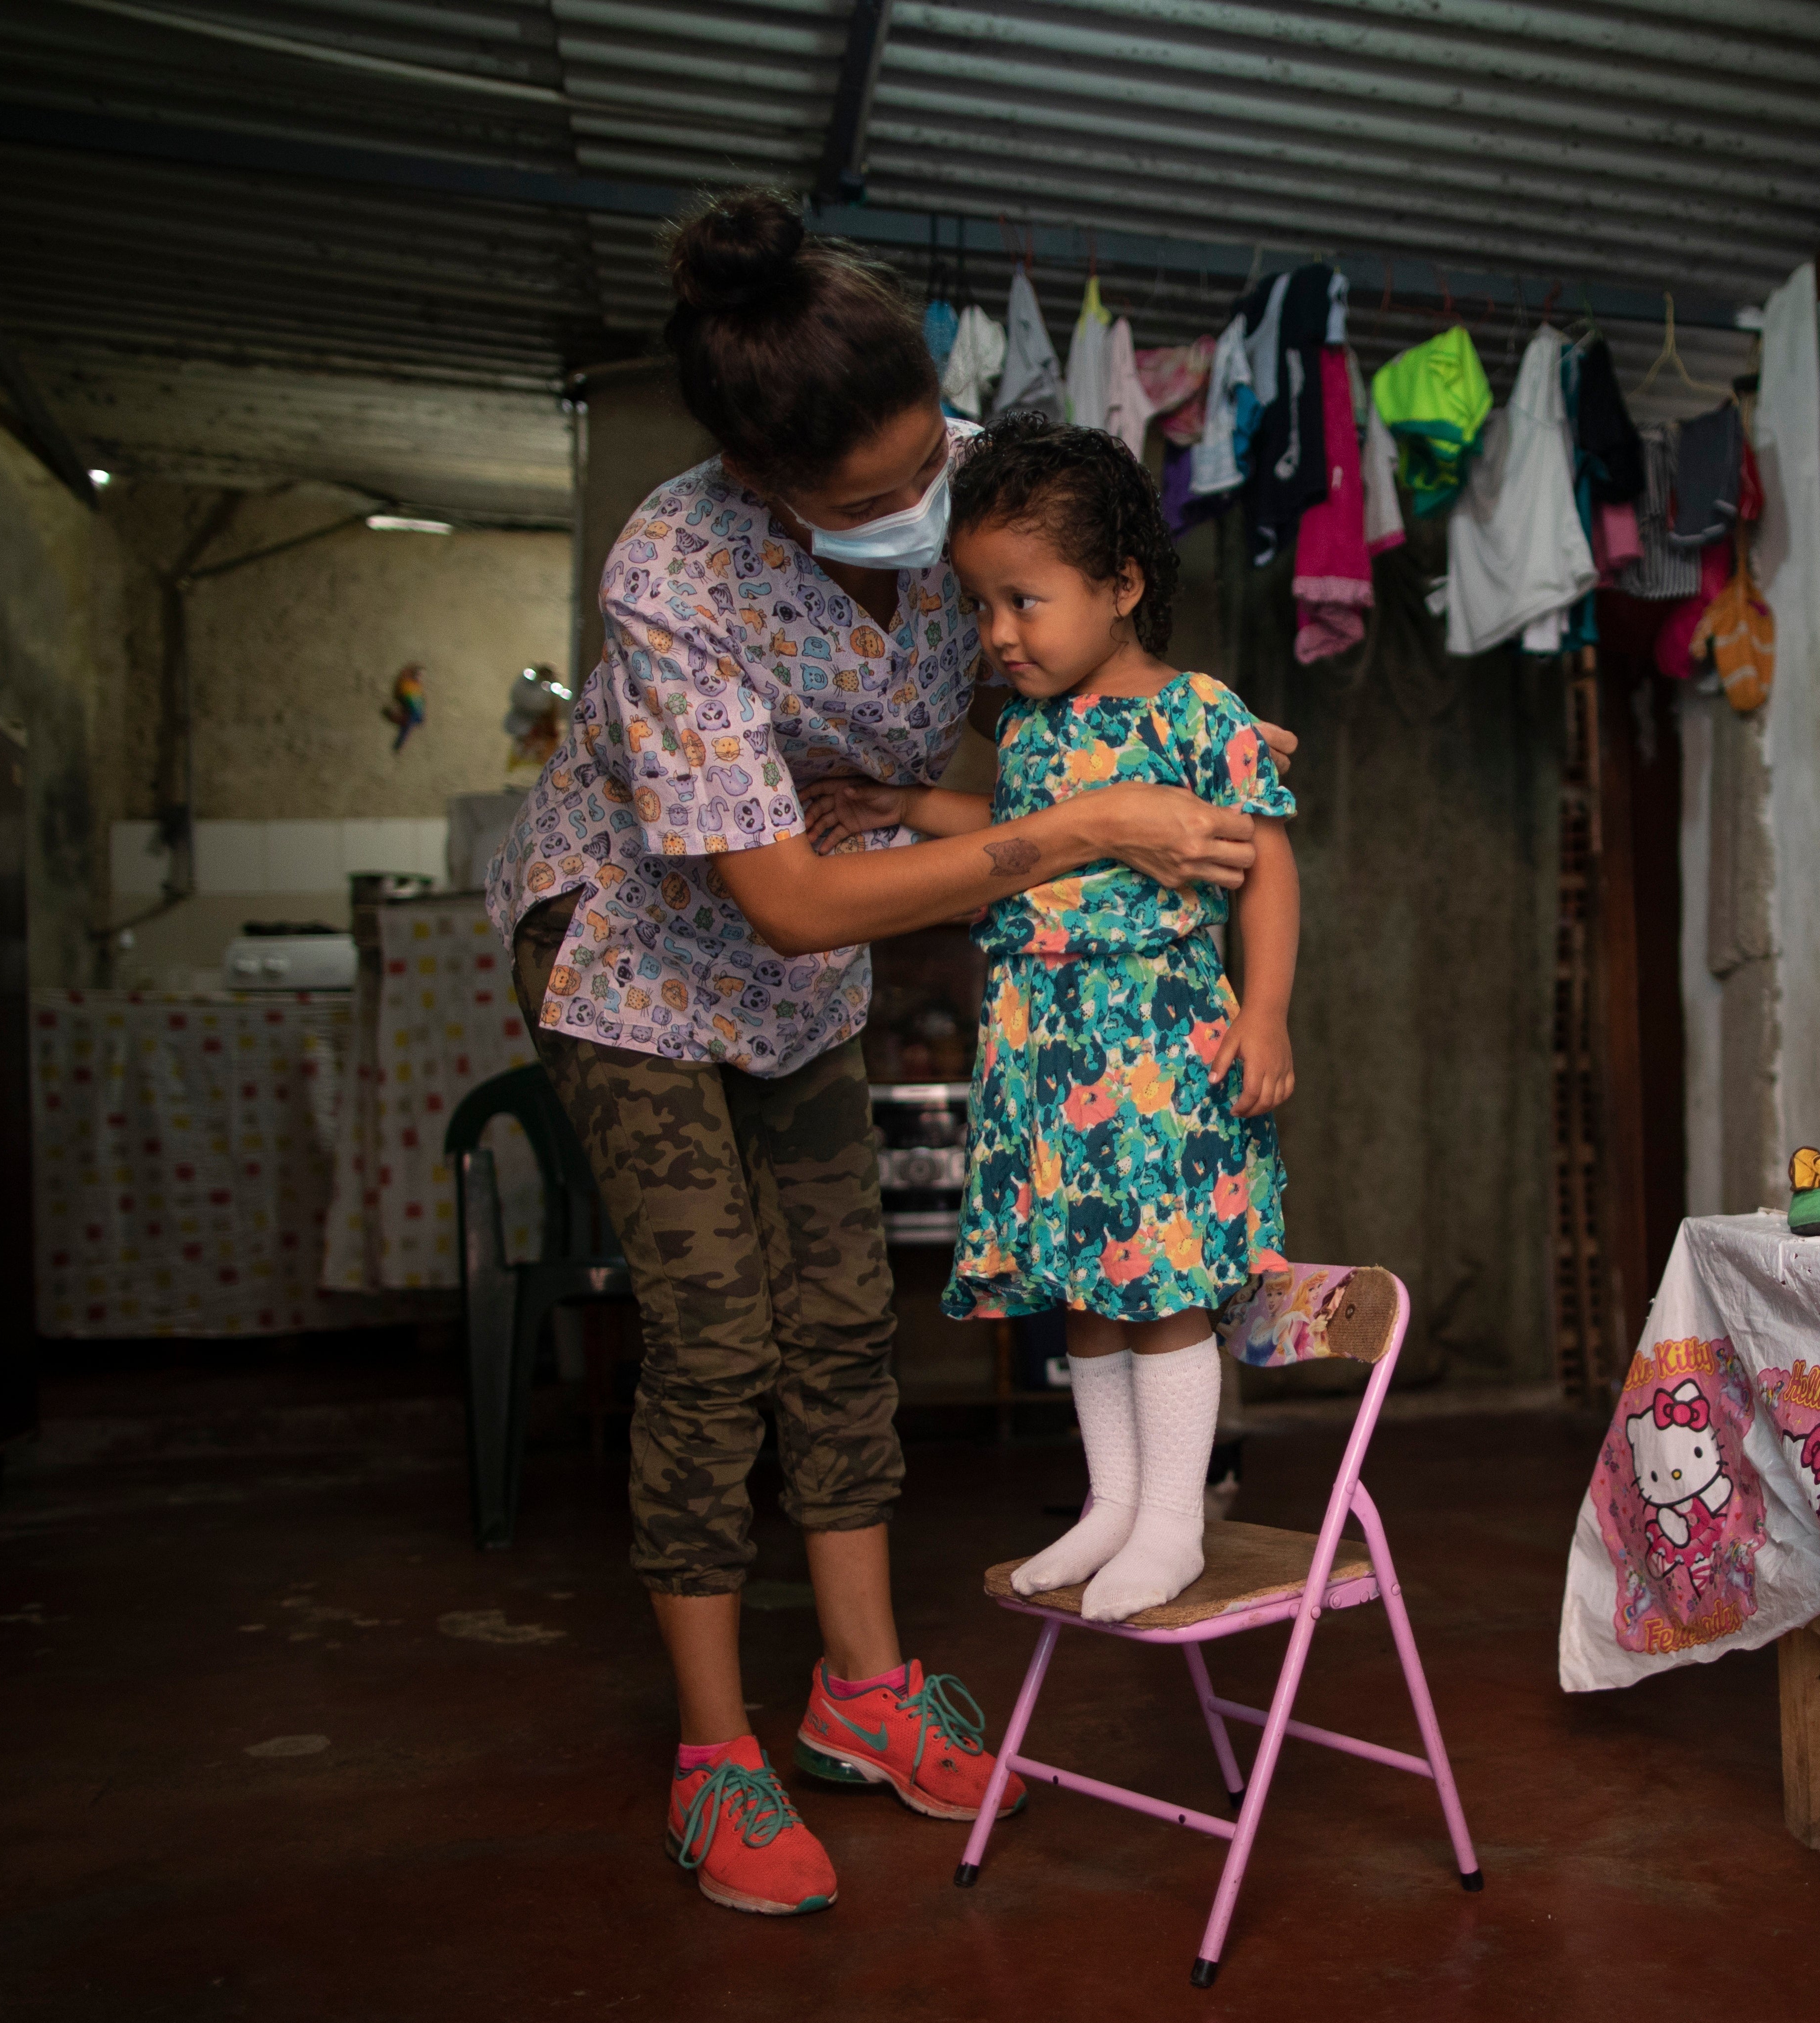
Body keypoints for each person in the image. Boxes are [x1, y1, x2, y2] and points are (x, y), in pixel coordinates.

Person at [486, 190, 1286, 1919]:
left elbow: (1091, 681)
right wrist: (1069, 838)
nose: (927, 516)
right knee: (714, 1332)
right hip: (641, 948)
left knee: (848, 1311)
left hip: (816, 949)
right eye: (876, 501)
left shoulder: (985, 488)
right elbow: (778, 896)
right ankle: (715, 1747)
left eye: (932, 457)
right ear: (767, 491)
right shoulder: (675, 572)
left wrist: (1184, 742)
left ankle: (858, 1682)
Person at [801, 415, 1297, 1621]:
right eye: (979, 608)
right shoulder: (1029, 727)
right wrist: (899, 799)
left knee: (1162, 1277)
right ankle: (1112, 1505)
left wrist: (1270, 1013)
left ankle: (1176, 1519)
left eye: (1023, 602)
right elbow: (1011, 824)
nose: (997, 636)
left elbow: (1269, 863)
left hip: (1161, 1039)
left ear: (1121, 585)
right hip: (1040, 1043)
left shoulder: (1196, 714)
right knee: (1085, 1278)